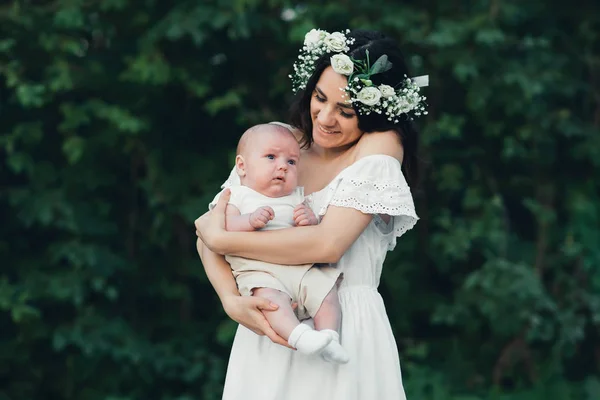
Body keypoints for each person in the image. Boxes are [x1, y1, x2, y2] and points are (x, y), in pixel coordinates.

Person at [196, 28, 426, 400]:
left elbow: (327, 244)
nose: (325, 117)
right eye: (320, 98)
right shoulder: (279, 146)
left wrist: (224, 239)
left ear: (375, 114)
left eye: (347, 111)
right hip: (270, 320)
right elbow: (206, 232)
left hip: (344, 326)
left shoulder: (380, 147)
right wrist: (230, 299)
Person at [212, 122, 348, 363]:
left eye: (291, 162)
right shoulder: (239, 195)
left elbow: (315, 235)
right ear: (242, 166)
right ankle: (299, 336)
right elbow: (225, 228)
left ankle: (330, 337)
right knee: (271, 303)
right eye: (271, 157)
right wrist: (250, 220)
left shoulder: (295, 196)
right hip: (261, 270)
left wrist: (310, 219)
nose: (282, 167)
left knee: (327, 293)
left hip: (299, 267)